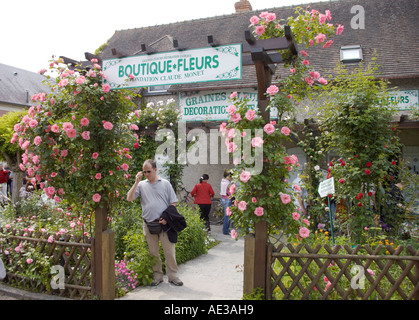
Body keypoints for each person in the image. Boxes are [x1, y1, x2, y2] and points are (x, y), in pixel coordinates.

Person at [127, 159, 183, 287]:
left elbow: (173, 202)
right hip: (149, 224)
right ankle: (157, 276)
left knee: (169, 252)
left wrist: (166, 218)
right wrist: (136, 182)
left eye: (149, 171)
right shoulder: (141, 185)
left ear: (155, 169)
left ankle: (173, 276)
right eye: (144, 171)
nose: (146, 174)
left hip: (164, 224)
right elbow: (129, 198)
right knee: (153, 253)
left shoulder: (165, 184)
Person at [220, 171, 232, 235]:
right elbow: (233, 190)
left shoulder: (222, 181)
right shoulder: (227, 183)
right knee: (227, 216)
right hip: (227, 199)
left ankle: (226, 229)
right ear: (228, 176)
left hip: (223, 198)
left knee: (226, 215)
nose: (231, 178)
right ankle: (225, 230)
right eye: (230, 176)